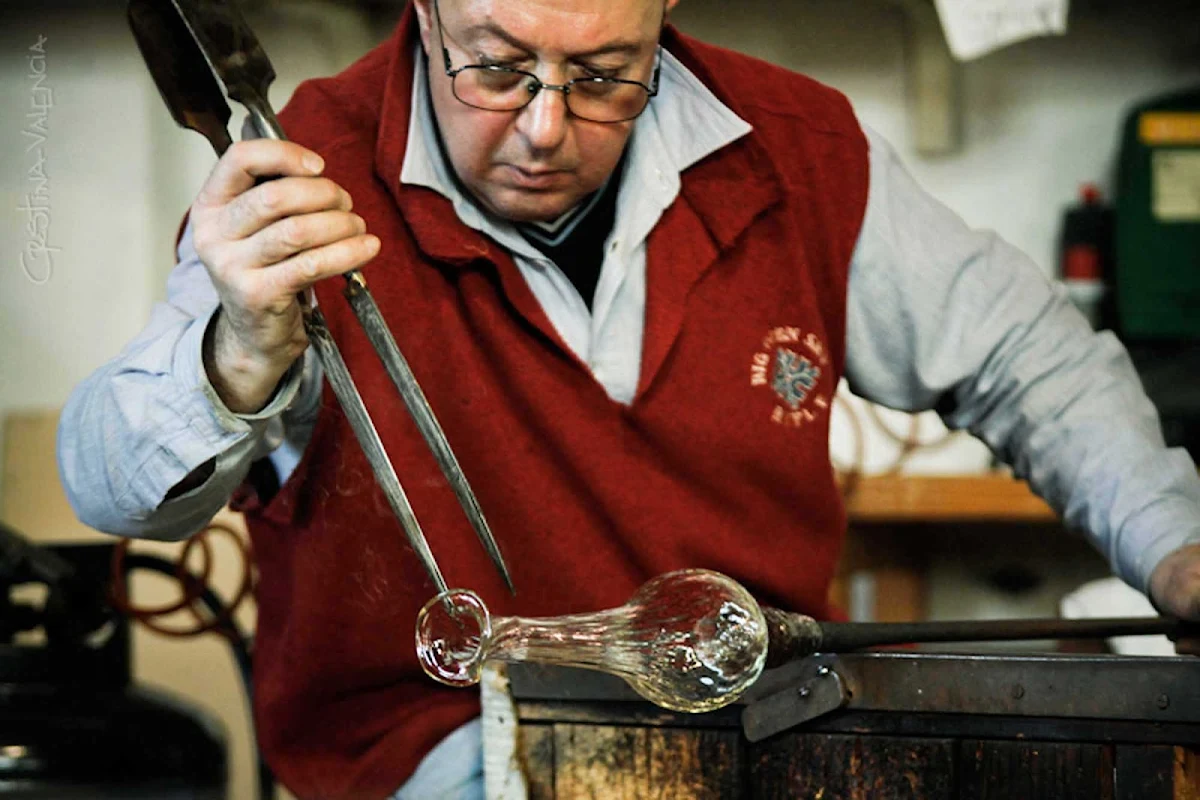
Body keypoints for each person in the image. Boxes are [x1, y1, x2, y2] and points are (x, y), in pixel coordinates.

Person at [58, 0, 1200, 797]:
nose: (546, 126)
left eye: (604, 74)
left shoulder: (794, 151)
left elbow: (1024, 354)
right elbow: (107, 482)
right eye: (496, 65)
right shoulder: (299, 181)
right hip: (439, 748)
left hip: (759, 722)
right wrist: (235, 355)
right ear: (424, 8)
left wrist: (1174, 547)